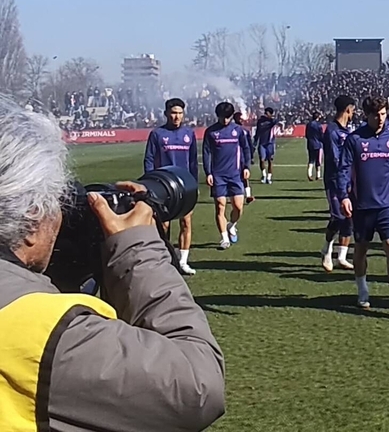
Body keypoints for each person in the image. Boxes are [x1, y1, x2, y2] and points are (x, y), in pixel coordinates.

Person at [0, 96, 225, 431]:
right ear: (32, 218)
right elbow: (198, 386)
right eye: (58, 201)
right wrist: (138, 248)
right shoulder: (43, 331)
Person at [338, 96, 389, 313]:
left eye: (383, 114)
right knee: (361, 248)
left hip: (387, 205)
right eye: (376, 115)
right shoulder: (354, 139)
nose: (381, 118)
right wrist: (344, 196)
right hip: (362, 205)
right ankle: (362, 291)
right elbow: (343, 169)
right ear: (367, 115)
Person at [143, 98, 199, 275]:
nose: (177, 117)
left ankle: (183, 261)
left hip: (185, 186)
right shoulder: (157, 134)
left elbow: (193, 161)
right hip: (164, 187)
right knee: (164, 225)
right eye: (174, 113)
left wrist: (195, 184)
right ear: (166, 113)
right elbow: (149, 159)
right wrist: (150, 183)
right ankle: (164, 259)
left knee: (186, 222)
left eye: (180, 113)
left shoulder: (189, 134)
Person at [203, 102, 251, 249]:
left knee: (238, 207)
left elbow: (246, 148)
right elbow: (206, 153)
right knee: (220, 206)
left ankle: (231, 225)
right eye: (222, 117)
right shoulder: (211, 132)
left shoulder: (238, 130)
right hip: (218, 175)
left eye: (227, 117)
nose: (225, 120)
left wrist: (246, 167)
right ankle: (224, 239)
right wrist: (208, 172)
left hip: (235, 174)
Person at [321, 95, 356, 272]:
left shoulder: (348, 131)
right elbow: (335, 159)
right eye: (353, 110)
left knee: (349, 217)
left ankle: (342, 256)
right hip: (334, 180)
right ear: (348, 109)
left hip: (349, 180)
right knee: (338, 217)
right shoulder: (332, 131)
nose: (354, 113)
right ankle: (327, 251)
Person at [234, 111, 255, 204]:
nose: (242, 120)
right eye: (240, 118)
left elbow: (249, 145)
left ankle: (248, 195)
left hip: (242, 157)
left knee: (244, 175)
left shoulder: (245, 131)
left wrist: (251, 156)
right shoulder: (233, 130)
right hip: (235, 157)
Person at [254, 107, 279, 185]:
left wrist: (272, 116)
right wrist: (255, 141)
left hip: (270, 143)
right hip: (262, 143)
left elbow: (275, 121)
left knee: (270, 161)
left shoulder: (272, 121)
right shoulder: (260, 121)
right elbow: (258, 131)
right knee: (262, 160)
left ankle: (269, 177)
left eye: (267, 113)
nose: (265, 114)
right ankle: (264, 175)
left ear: (270, 114)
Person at [305, 111, 325, 182]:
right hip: (318, 144)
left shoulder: (309, 124)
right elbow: (321, 135)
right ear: (318, 117)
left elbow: (306, 135)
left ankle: (309, 174)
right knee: (318, 160)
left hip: (310, 144)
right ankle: (318, 175)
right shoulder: (319, 125)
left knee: (311, 160)